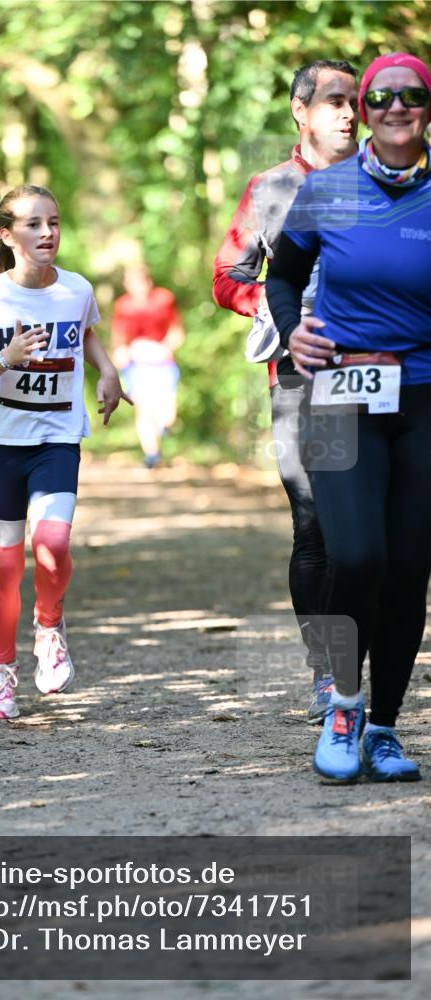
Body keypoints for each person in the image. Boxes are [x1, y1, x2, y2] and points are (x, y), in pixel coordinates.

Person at [266, 52, 431, 782]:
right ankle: (342, 703)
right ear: (364, 110)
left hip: (423, 395)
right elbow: (283, 274)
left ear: (426, 108)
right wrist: (290, 330)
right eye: (380, 97)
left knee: (406, 567)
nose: (396, 107)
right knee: (355, 554)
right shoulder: (326, 190)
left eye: (412, 95)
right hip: (337, 392)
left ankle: (387, 728)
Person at [0, 184, 131, 720]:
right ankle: (2, 673)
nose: (47, 232)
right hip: (0, 443)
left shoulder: (75, 289)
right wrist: (6, 358)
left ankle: (49, 626)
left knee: (51, 545)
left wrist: (109, 370)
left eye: (53, 221)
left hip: (56, 439)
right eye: (32, 224)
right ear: (7, 234)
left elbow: (86, 335)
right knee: (5, 565)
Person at [213, 60, 359, 721]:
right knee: (314, 528)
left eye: (354, 100)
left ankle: (359, 668)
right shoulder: (271, 188)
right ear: (299, 111)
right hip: (298, 378)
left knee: (371, 535)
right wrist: (282, 308)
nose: (349, 112)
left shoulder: (386, 181)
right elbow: (228, 276)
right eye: (333, 101)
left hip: (382, 377)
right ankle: (328, 674)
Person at [111, 264, 184, 468]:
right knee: (143, 408)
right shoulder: (123, 305)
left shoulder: (164, 299)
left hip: (162, 363)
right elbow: (118, 337)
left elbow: (176, 331)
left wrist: (167, 347)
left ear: (148, 281)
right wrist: (119, 352)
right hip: (138, 364)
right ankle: (151, 454)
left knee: (167, 413)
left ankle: (163, 427)